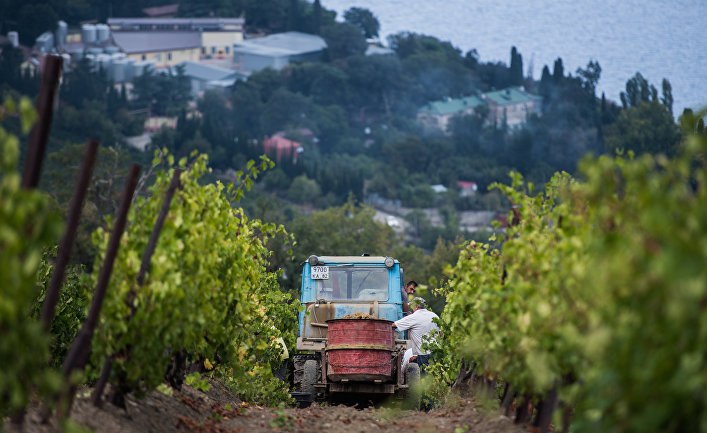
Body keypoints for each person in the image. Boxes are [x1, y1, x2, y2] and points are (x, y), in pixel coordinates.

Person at [392, 297, 438, 374]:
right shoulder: (434, 316)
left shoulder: (414, 317)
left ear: (416, 306)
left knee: (425, 379)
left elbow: (394, 325)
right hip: (436, 352)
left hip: (424, 354)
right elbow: (440, 332)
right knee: (435, 377)